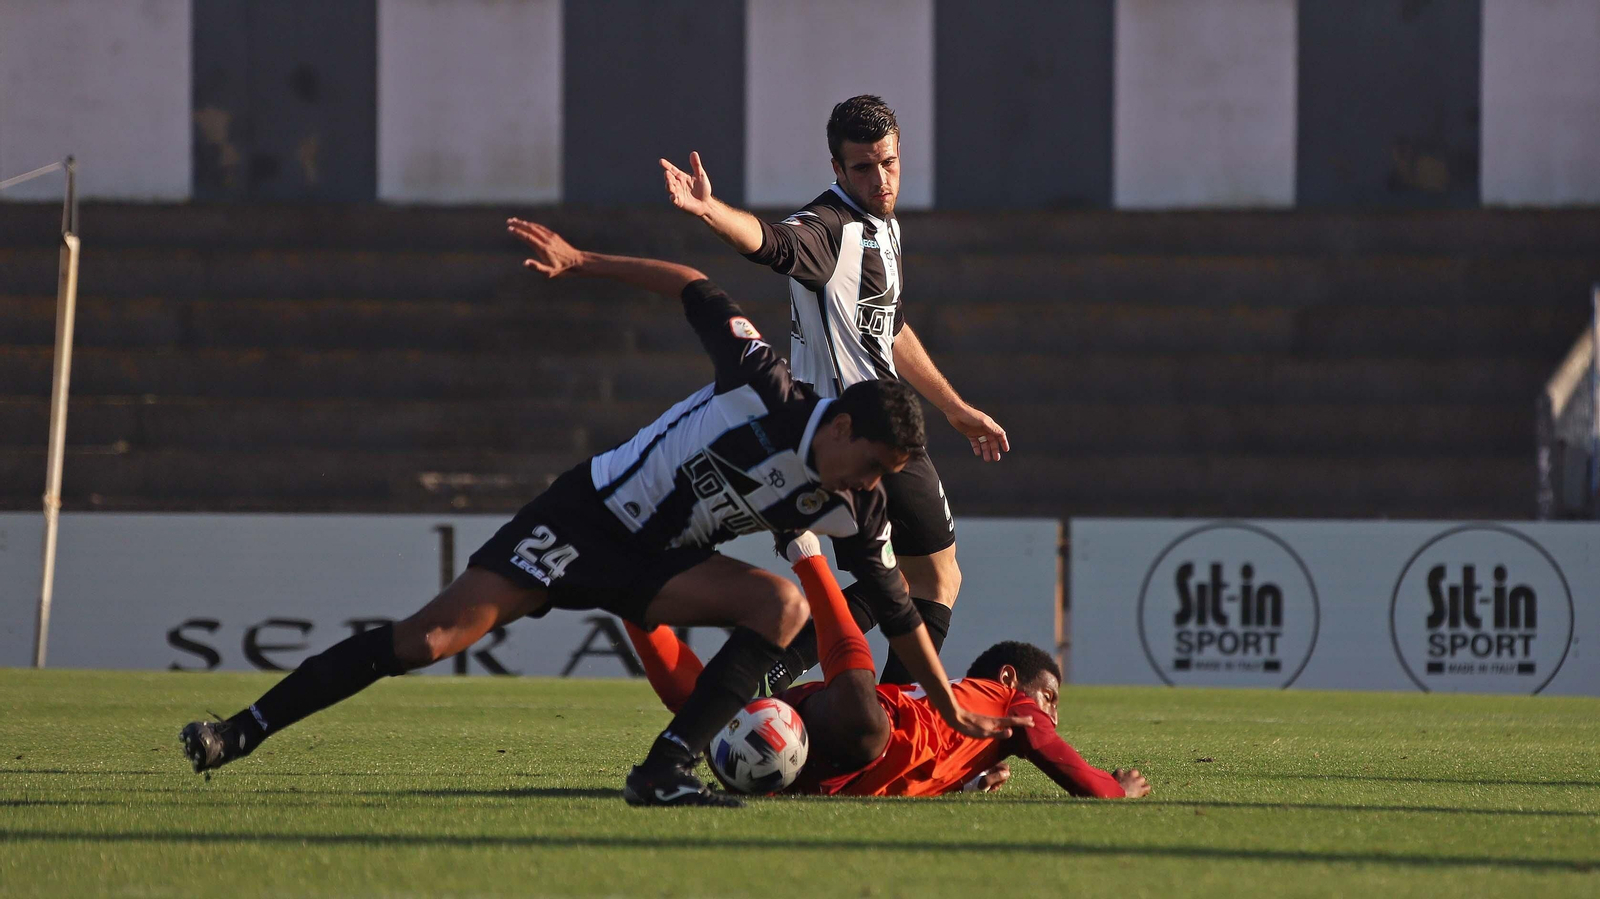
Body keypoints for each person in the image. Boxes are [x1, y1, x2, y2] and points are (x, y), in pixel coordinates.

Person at [178, 220, 1030, 808]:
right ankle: (241, 729)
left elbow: (897, 613)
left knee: (782, 605)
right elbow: (697, 283)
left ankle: (664, 769)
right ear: (841, 427)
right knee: (425, 641)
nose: (874, 482)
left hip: (661, 565)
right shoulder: (764, 383)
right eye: (873, 462)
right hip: (584, 521)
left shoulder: (857, 498)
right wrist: (581, 260)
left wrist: (953, 715)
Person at [661, 95, 1008, 691]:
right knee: (935, 578)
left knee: (899, 580)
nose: (880, 180)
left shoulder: (885, 227)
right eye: (864, 169)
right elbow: (774, 244)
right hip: (863, 433)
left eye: (889, 164)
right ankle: (899, 715)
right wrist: (709, 209)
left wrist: (953, 408)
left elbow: (888, 325)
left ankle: (782, 671)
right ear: (837, 168)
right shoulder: (832, 227)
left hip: (855, 425)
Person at [627, 531, 1151, 799]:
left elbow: (922, 769)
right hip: (861, 732)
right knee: (863, 715)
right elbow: (1052, 752)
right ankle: (807, 552)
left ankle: (633, 602)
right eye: (1049, 697)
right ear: (1011, 679)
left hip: (827, 765)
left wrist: (965, 781)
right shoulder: (1009, 708)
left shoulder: (971, 738)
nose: (1051, 715)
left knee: (709, 710)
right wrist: (1112, 788)